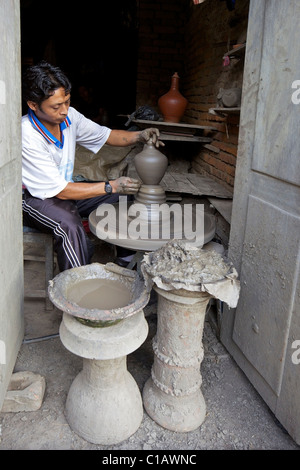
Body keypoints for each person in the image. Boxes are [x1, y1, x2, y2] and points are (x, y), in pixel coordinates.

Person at [21, 61, 162, 272]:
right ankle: (77, 292)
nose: (64, 110)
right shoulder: (27, 134)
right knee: (69, 226)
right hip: (33, 199)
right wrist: (111, 185)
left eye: (67, 102)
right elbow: (60, 191)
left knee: (125, 197)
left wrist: (139, 136)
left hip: (64, 190)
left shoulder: (70, 117)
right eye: (56, 106)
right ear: (33, 105)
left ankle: (125, 262)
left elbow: (106, 135)